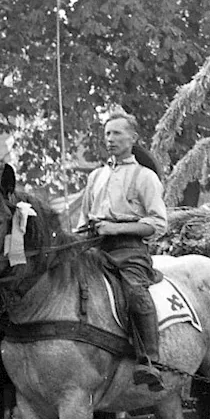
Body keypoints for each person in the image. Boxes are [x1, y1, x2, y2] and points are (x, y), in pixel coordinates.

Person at [75, 114, 170, 391]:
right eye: (107, 134)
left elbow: (158, 224)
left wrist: (115, 230)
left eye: (117, 134)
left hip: (130, 251)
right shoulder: (96, 176)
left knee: (134, 291)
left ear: (133, 139)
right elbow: (84, 221)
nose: (111, 140)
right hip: (95, 248)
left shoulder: (145, 176)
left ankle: (150, 360)